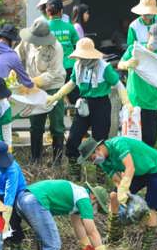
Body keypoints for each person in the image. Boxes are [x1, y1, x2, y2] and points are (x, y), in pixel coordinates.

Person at [47, 38, 132, 179]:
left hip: (101, 106)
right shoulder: (78, 66)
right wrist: (57, 95)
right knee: (73, 139)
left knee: (100, 142)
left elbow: (118, 85)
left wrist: (126, 101)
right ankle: (75, 174)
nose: (81, 59)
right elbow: (72, 83)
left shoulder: (104, 67)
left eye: (84, 56)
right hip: (84, 105)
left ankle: (102, 175)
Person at [78, 136, 157, 250]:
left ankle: (146, 248)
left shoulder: (118, 144)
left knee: (151, 208)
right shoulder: (103, 161)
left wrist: (124, 189)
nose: (94, 161)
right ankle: (113, 235)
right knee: (114, 196)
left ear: (99, 148)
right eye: (91, 160)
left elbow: (130, 168)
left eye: (92, 157)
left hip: (156, 168)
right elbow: (116, 179)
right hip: (138, 173)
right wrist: (125, 195)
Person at [26, 179, 109, 250]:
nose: (95, 210)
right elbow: (92, 232)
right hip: (35, 200)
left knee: (44, 238)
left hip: (25, 196)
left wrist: (87, 248)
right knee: (53, 242)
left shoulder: (77, 197)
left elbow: (78, 225)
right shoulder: (84, 198)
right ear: (93, 197)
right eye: (98, 206)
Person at [16, 19, 67, 164]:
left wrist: (33, 81)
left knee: (56, 125)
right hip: (32, 88)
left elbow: (53, 74)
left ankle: (57, 161)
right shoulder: (26, 42)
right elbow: (17, 56)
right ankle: (35, 159)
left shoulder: (56, 48)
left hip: (53, 88)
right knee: (36, 125)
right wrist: (14, 69)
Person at [118, 23, 157, 147]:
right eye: (155, 39)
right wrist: (127, 64)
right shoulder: (135, 50)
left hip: (151, 105)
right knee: (131, 142)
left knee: (149, 142)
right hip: (134, 104)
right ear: (148, 35)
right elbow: (120, 64)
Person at [45, 0, 78, 82]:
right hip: (70, 67)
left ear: (47, 11)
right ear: (61, 11)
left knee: (55, 94)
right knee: (71, 93)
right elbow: (77, 47)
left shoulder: (43, 28)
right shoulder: (70, 27)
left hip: (51, 69)